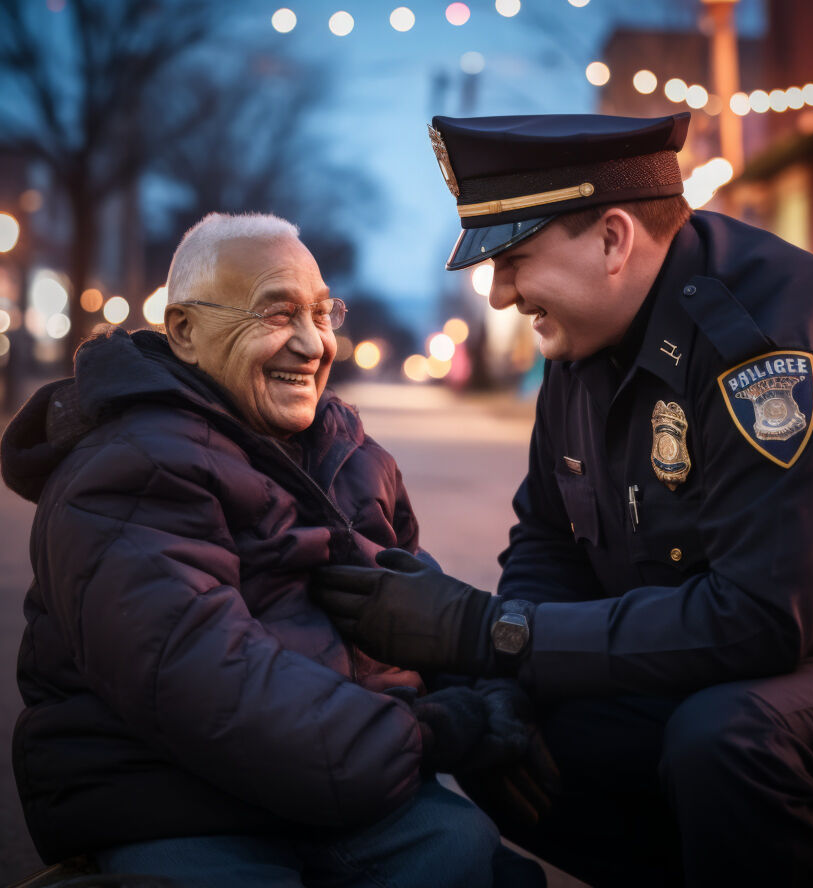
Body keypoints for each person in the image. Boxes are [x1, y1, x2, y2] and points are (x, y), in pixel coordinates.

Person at [312, 114, 813, 887]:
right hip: (745, 666)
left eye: (515, 258)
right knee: (500, 731)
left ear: (613, 239)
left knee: (729, 740)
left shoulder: (769, 345)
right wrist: (505, 677)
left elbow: (762, 620)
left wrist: (494, 632)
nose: (501, 293)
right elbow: (549, 537)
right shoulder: (584, 346)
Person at [0, 213, 546, 888]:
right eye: (278, 313)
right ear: (185, 332)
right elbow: (207, 682)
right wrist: (430, 734)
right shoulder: (130, 467)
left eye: (324, 314)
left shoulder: (350, 456)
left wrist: (495, 690)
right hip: (176, 802)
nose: (314, 343)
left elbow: (416, 609)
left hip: (345, 787)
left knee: (467, 850)